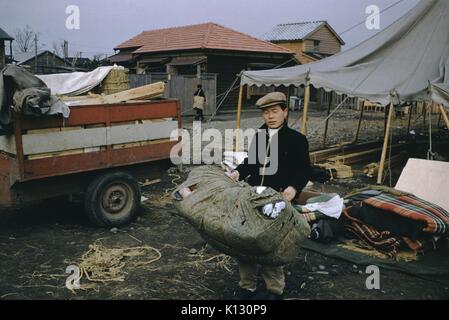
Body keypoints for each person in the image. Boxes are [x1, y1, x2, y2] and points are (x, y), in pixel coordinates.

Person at [227, 91, 312, 300]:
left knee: (271, 244)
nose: (270, 116)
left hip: (278, 198)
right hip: (254, 196)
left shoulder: (297, 140)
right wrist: (238, 172)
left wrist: (293, 187)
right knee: (244, 240)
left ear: (285, 111)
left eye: (275, 111)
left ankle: (274, 289)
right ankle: (246, 285)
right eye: (266, 113)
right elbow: (250, 162)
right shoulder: (259, 135)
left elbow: (304, 170)